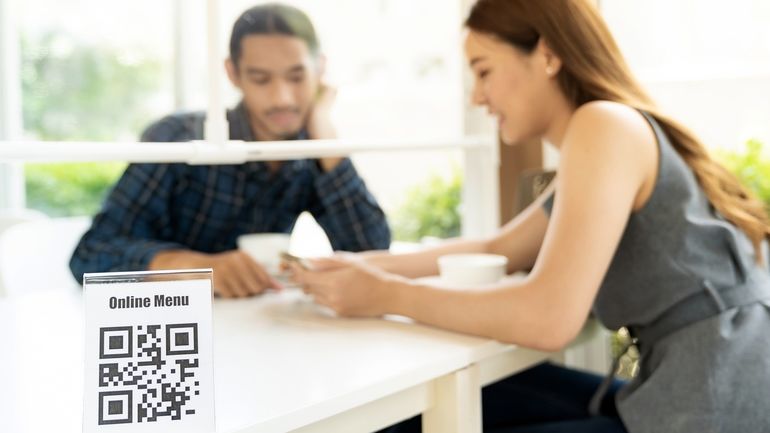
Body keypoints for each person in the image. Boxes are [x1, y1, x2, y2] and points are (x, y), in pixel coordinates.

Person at [289, 1, 770, 432]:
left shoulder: (604, 126)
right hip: (682, 387)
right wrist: (355, 269)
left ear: (546, 54)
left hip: (715, 402)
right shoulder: (605, 132)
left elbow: (548, 319)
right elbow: (497, 249)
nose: (477, 97)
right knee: (422, 411)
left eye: (483, 71)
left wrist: (385, 294)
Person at [69, 3, 391, 297]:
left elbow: (371, 251)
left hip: (261, 333)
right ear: (233, 73)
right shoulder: (179, 140)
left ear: (320, 70)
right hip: (168, 332)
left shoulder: (311, 150)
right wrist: (192, 267)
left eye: (297, 77)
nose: (283, 98)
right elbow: (91, 254)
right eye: (261, 79)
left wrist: (326, 137)